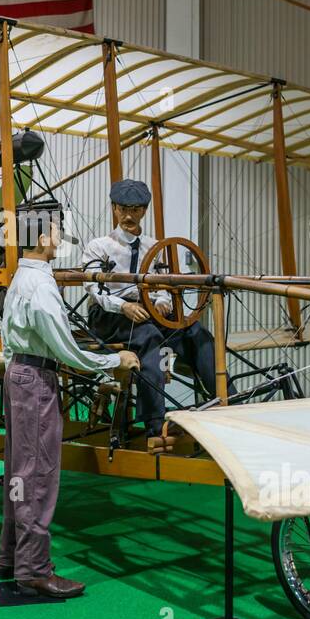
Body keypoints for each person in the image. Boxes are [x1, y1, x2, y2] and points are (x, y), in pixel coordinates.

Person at [0, 211, 140, 598]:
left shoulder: (22, 277)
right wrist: (114, 361)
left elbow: (8, 339)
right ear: (43, 237)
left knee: (18, 473)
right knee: (38, 476)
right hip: (36, 380)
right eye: (56, 229)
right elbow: (67, 349)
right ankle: (34, 570)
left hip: (19, 374)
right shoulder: (40, 286)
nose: (61, 235)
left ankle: (10, 557)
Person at [81, 179, 217, 440]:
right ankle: (155, 423)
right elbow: (95, 290)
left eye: (135, 209)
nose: (128, 216)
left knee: (196, 332)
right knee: (149, 337)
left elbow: (163, 284)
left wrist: (163, 300)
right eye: (122, 209)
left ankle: (226, 401)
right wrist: (124, 307)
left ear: (144, 211)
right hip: (107, 315)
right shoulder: (98, 247)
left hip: (147, 312)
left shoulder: (154, 247)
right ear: (114, 209)